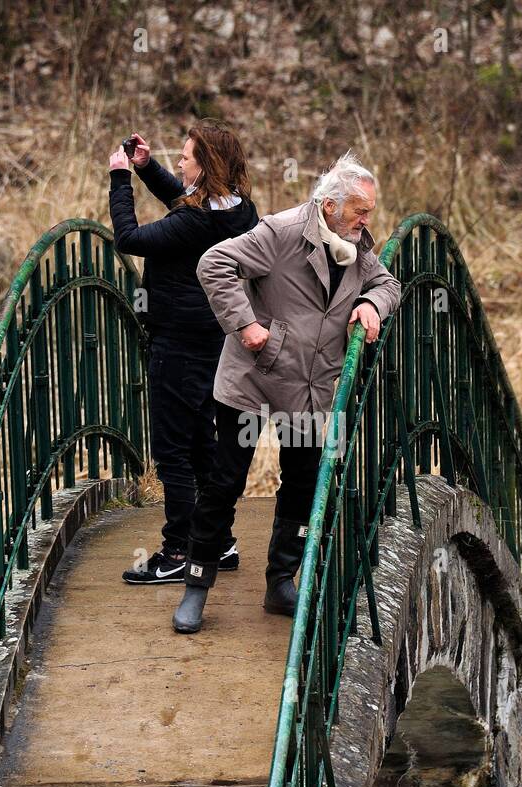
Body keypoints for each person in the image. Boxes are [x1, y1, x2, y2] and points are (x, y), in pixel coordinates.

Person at [171, 150, 402, 633]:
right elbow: (214, 264)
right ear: (330, 204)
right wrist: (247, 324)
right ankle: (197, 584)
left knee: (300, 484)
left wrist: (370, 303)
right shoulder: (281, 232)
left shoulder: (356, 246)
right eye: (360, 210)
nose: (366, 219)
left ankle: (281, 581)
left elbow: (389, 284)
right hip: (252, 379)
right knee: (225, 482)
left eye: (370, 212)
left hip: (310, 386)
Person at [107, 120, 258, 584]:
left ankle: (177, 550)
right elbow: (185, 199)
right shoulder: (239, 211)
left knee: (173, 449)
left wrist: (120, 179)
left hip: (178, 342)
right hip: (214, 339)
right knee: (201, 442)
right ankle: (219, 540)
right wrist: (147, 169)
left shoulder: (195, 222)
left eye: (186, 157)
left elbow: (129, 240)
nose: (179, 162)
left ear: (204, 166)